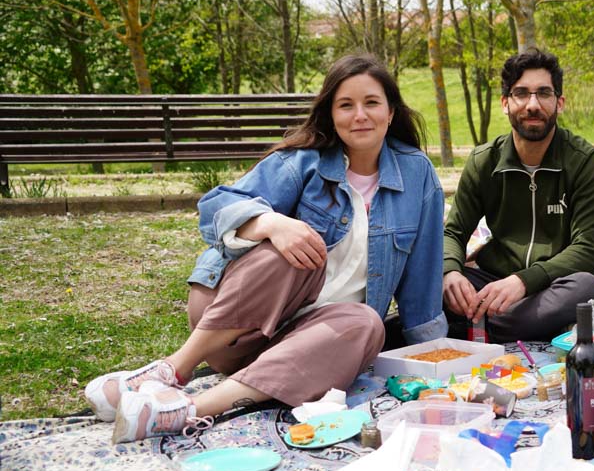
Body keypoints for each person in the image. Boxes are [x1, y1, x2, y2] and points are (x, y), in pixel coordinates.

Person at [85, 54, 447, 443]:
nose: (359, 115)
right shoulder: (303, 162)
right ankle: (173, 369)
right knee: (300, 248)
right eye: (346, 104)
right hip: (233, 328)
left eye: (371, 103)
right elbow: (214, 208)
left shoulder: (417, 174)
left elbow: (423, 275)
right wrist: (270, 224)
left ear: (391, 112)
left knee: (368, 323)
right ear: (331, 113)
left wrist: (436, 359)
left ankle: (183, 410)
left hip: (314, 337)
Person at [442, 49, 594, 343]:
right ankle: (509, 325)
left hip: (553, 286)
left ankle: (470, 326)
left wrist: (524, 281)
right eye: (521, 94)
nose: (532, 104)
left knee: (589, 289)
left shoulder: (584, 161)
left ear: (559, 103)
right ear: (505, 103)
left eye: (543, 94)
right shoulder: (484, 161)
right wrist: (450, 273)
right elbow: (454, 232)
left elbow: (589, 248)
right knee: (430, 281)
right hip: (492, 285)